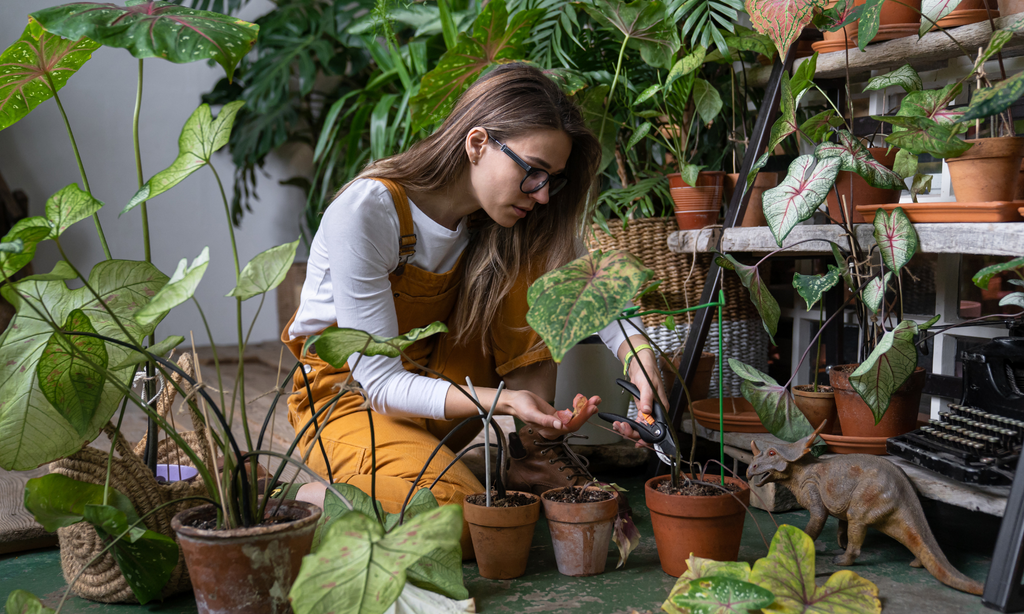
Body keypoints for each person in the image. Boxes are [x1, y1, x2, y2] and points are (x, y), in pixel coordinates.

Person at [279, 62, 665, 557]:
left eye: (554, 180)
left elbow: (584, 284)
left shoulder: (502, 217)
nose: (543, 193)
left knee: (538, 251)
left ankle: (532, 456)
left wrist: (638, 357)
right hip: (351, 401)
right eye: (533, 172)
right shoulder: (369, 211)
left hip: (443, 390)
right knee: (459, 522)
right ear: (478, 143)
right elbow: (380, 385)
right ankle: (293, 506)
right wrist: (505, 402)